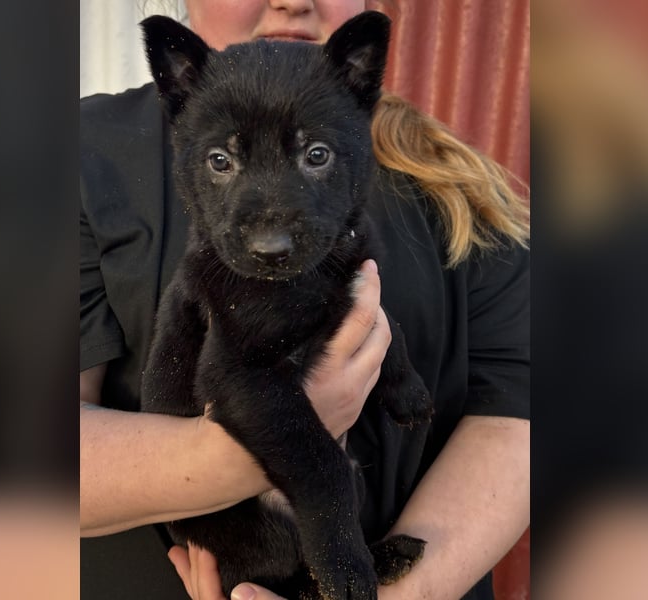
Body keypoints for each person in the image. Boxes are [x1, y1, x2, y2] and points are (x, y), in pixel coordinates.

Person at [80, 1, 530, 599]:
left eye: (315, 156)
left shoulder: (462, 184)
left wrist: (399, 595)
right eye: (222, 161)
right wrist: (237, 462)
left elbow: (518, 410)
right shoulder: (72, 154)